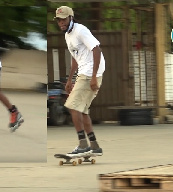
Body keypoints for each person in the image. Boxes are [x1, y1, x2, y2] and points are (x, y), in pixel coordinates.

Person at [54, 6, 105, 157]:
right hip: (84, 72)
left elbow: (97, 50)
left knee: (72, 106)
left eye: (63, 19)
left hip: (90, 73)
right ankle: (94, 146)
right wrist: (70, 79)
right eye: (58, 20)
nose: (61, 22)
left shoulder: (80, 30)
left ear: (71, 18)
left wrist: (95, 76)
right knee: (82, 110)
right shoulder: (67, 35)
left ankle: (83, 145)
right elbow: (75, 58)